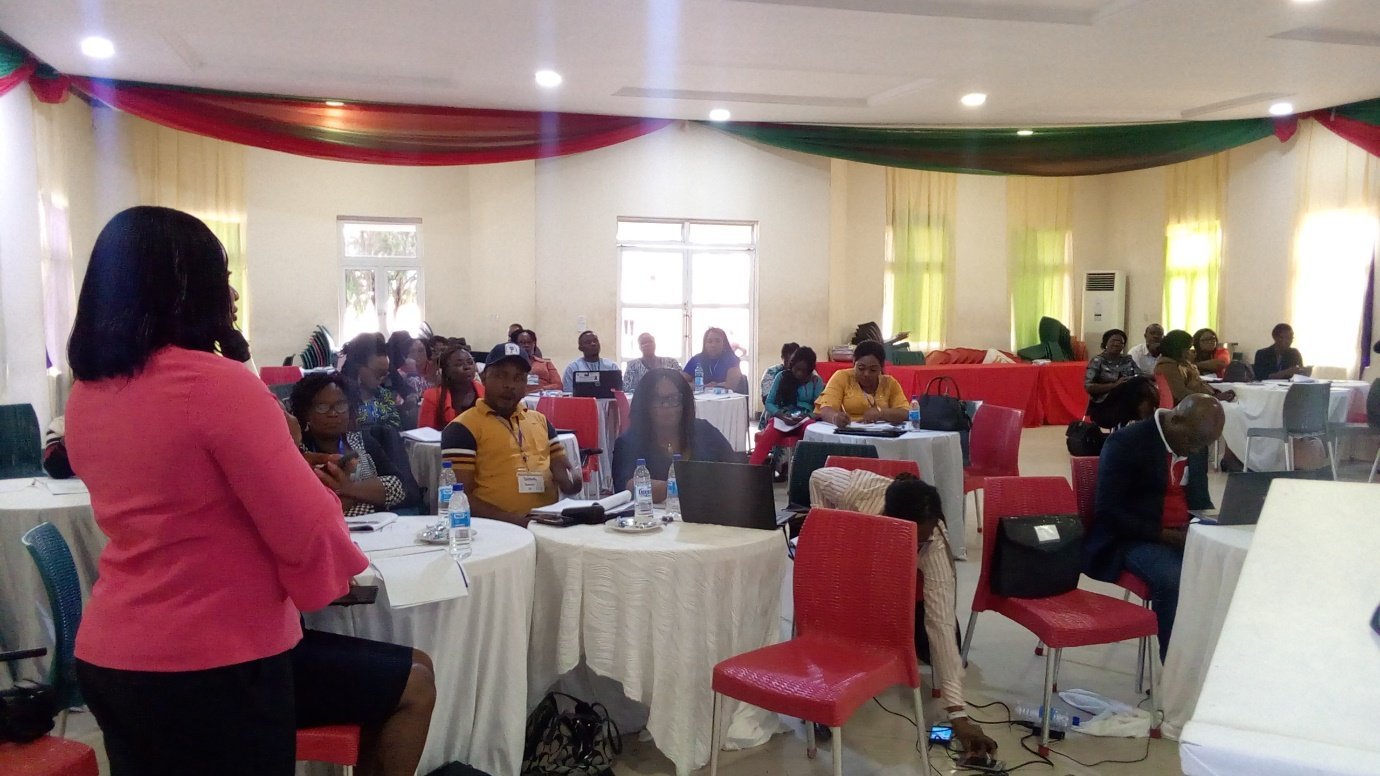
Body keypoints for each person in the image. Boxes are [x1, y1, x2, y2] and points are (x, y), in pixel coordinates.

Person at [63, 206, 433, 776]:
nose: (232, 294)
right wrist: (327, 581)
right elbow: (306, 524)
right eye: (222, 277)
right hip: (216, 658)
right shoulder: (216, 384)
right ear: (183, 288)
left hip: (113, 653)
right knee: (411, 682)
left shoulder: (88, 394)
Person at [808, 468, 998, 758]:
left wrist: (958, 713)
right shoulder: (861, 492)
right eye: (912, 540)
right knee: (835, 628)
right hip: (856, 571)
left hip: (899, 592)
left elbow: (941, 623)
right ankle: (818, 697)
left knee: (942, 648)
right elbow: (817, 477)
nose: (918, 546)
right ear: (890, 519)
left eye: (923, 539)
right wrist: (826, 532)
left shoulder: (934, 541)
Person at [1085, 394, 1226, 660]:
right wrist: (1166, 536)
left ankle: (1211, 658)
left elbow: (1201, 501)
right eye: (1193, 442)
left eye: (1203, 445)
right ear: (1176, 420)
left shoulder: (1194, 441)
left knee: (1230, 568)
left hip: (1181, 534)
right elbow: (1108, 511)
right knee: (1173, 578)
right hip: (1132, 537)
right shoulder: (1127, 442)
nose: (1196, 451)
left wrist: (1211, 526)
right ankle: (1175, 665)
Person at [441, 343, 581, 524]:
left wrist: (573, 481)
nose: (510, 385)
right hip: (498, 530)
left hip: (548, 524)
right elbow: (460, 496)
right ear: (483, 378)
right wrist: (522, 523)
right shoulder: (462, 428)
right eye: (501, 376)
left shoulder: (540, 421)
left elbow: (565, 476)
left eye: (519, 378)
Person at [291, 373, 417, 517]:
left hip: (375, 525)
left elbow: (399, 487)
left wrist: (348, 489)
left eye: (340, 405)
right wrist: (368, 494)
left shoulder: (362, 440)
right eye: (322, 407)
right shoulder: (298, 451)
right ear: (306, 412)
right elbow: (310, 508)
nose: (333, 413)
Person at [611, 368, 736, 500]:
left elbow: (736, 473)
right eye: (657, 399)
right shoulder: (629, 442)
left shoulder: (705, 432)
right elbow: (625, 488)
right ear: (644, 404)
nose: (666, 406)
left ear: (685, 402)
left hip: (709, 509)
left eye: (673, 398)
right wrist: (678, 488)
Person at [748, 346, 824, 466]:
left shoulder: (816, 381)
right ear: (791, 365)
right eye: (796, 369)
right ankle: (751, 469)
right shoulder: (782, 377)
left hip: (805, 419)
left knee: (810, 431)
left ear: (810, 370)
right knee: (769, 433)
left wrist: (808, 416)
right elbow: (769, 403)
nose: (799, 373)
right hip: (783, 418)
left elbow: (820, 408)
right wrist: (781, 416)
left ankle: (802, 469)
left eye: (804, 371)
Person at [815, 339, 909, 427]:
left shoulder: (889, 383)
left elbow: (906, 413)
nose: (866, 374)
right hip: (849, 432)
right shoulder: (842, 377)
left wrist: (881, 413)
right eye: (861, 368)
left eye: (873, 370)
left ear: (881, 367)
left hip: (883, 433)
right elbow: (825, 409)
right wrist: (835, 418)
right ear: (853, 363)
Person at [1154, 329, 1235, 406]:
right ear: (1179, 349)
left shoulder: (1183, 363)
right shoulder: (1167, 366)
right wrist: (1212, 398)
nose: (1192, 352)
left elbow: (1199, 382)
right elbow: (1181, 394)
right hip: (1191, 407)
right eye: (1189, 348)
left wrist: (1215, 393)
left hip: (1203, 400)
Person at [1083, 329, 1144, 428]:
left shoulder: (1128, 359)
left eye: (1120, 342)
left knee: (1139, 383)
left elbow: (1140, 375)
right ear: (1105, 343)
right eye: (1113, 341)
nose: (1117, 344)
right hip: (1105, 404)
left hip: (1128, 399)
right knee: (1128, 386)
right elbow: (1089, 387)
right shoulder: (1097, 361)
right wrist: (1115, 385)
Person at [343, 334, 403, 429]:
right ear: (358, 367)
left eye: (385, 373)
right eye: (379, 373)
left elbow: (396, 427)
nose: (383, 378)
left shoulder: (384, 395)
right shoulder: (341, 398)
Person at [419, 344, 484, 430]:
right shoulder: (433, 396)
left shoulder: (485, 391)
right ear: (447, 370)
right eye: (459, 364)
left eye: (470, 362)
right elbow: (424, 433)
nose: (467, 367)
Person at [512, 328, 562, 393]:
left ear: (534, 344)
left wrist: (543, 389)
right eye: (522, 342)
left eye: (529, 342)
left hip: (542, 396)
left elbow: (558, 385)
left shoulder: (546, 363)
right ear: (516, 345)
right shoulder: (511, 364)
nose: (526, 345)